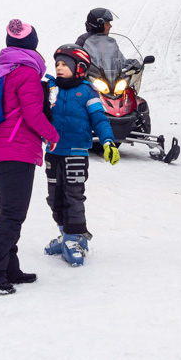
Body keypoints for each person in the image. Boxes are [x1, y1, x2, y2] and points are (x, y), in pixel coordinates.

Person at [0, 19, 60, 295]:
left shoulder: (2, 68)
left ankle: (10, 267)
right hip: (16, 152)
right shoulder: (26, 72)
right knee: (12, 215)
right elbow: (33, 115)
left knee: (10, 213)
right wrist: (53, 134)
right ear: (32, 44)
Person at [43, 44, 119, 267]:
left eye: (65, 64)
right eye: (57, 63)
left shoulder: (87, 91)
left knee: (73, 197)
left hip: (76, 153)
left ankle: (74, 239)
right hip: (53, 152)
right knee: (53, 197)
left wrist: (107, 142)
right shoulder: (50, 89)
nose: (59, 67)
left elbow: (100, 119)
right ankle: (66, 234)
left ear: (79, 67)